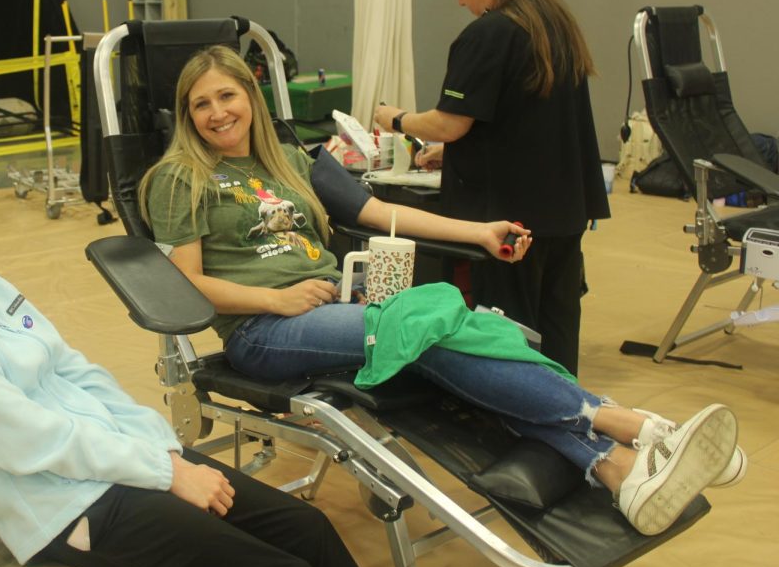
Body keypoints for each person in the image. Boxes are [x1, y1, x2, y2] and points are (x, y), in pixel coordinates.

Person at [140, 46, 744, 537]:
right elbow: (187, 285)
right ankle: (631, 424)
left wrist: (480, 232)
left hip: (337, 307)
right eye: (200, 104)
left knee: (473, 329)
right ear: (185, 114)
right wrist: (275, 300)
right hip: (262, 333)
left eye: (227, 95)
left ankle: (616, 471)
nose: (217, 113)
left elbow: (378, 210)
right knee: (425, 324)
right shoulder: (178, 178)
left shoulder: (291, 159)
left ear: (250, 95)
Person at [0, 152, 370, 567]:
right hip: (67, 505)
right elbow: (31, 439)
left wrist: (162, 447)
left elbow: (75, 371)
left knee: (308, 529)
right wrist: (164, 470)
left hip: (120, 462)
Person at [373, 0, 609, 376]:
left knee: (509, 329)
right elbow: (528, 116)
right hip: (565, 208)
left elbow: (448, 122)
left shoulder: (491, 32)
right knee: (558, 324)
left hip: (512, 216)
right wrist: (462, 149)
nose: (460, 2)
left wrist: (396, 118)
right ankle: (563, 416)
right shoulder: (555, 22)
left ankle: (513, 423)